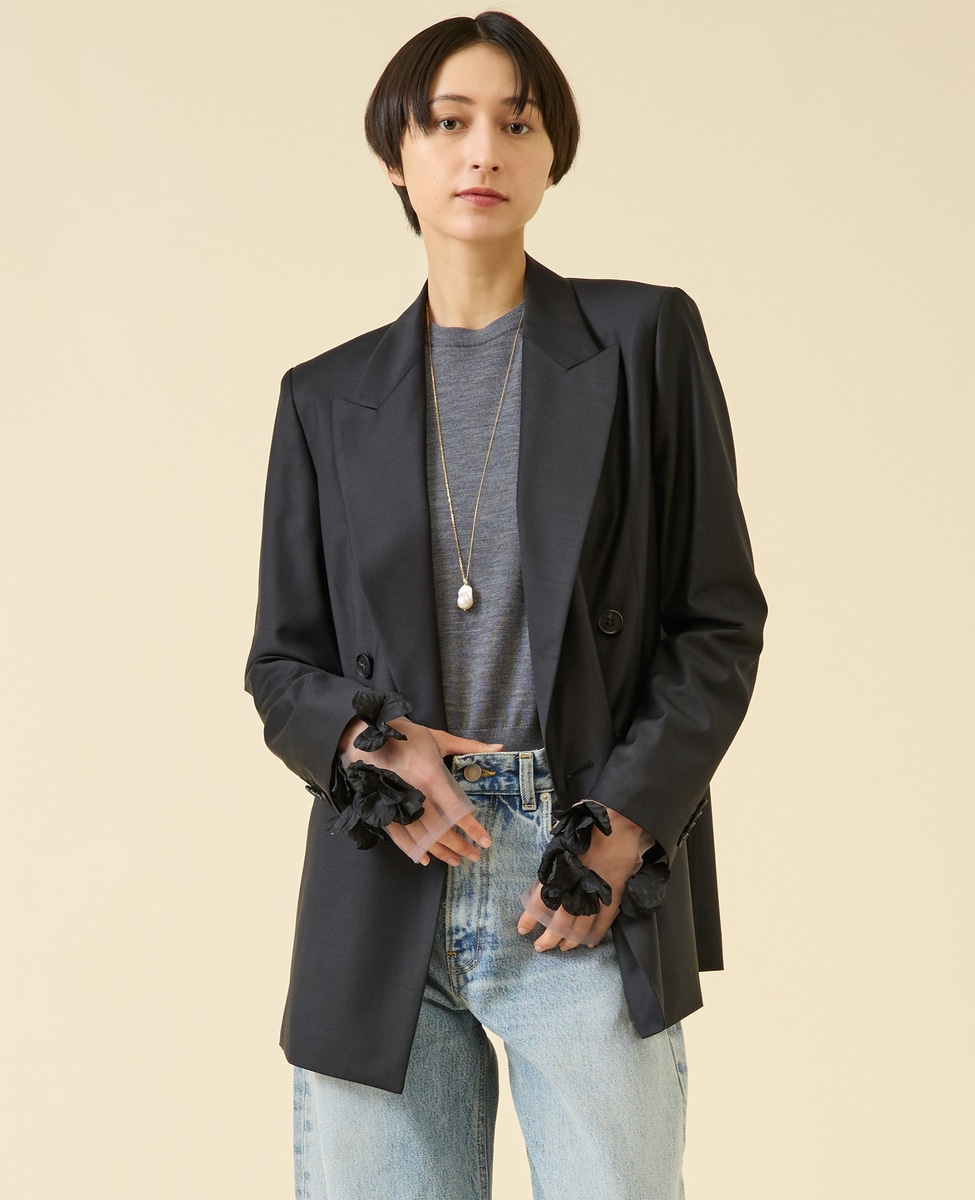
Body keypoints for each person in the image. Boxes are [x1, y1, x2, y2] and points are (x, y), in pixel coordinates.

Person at [245, 12, 766, 1200]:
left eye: (516, 125)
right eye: (449, 122)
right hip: (386, 865)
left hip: (575, 868)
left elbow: (717, 619)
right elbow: (282, 664)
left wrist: (623, 828)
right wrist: (375, 751)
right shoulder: (325, 398)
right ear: (398, 154)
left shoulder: (642, 340)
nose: (483, 150)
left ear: (550, 157)